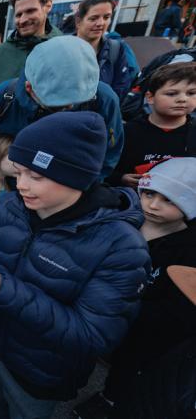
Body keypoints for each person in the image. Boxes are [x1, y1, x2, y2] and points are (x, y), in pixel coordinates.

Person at [0, 111, 150, 418]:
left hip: (40, 374)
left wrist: (3, 288)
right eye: (18, 172)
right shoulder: (9, 206)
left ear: (77, 176)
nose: (21, 185)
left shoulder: (121, 247)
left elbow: (92, 336)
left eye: (36, 176)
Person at [77, 157, 196, 417]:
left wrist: (126, 311)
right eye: (149, 193)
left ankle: (111, 400)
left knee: (128, 371)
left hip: (144, 334)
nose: (153, 205)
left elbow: (179, 311)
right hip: (97, 316)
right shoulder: (123, 220)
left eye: (169, 200)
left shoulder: (189, 252)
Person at [0, 35, 124, 180]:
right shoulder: (2, 98)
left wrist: (86, 188)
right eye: (57, 105)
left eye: (75, 101)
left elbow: (109, 153)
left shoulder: (103, 100)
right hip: (8, 188)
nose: (69, 107)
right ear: (29, 88)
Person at [108, 62, 196, 187]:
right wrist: (121, 178)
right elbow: (105, 168)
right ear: (150, 97)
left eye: (191, 93)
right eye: (171, 94)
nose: (183, 99)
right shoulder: (128, 131)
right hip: (131, 195)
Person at [74, 0, 136, 102]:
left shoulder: (117, 49)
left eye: (106, 17)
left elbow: (121, 89)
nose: (100, 23)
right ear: (78, 21)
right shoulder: (62, 48)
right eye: (93, 18)